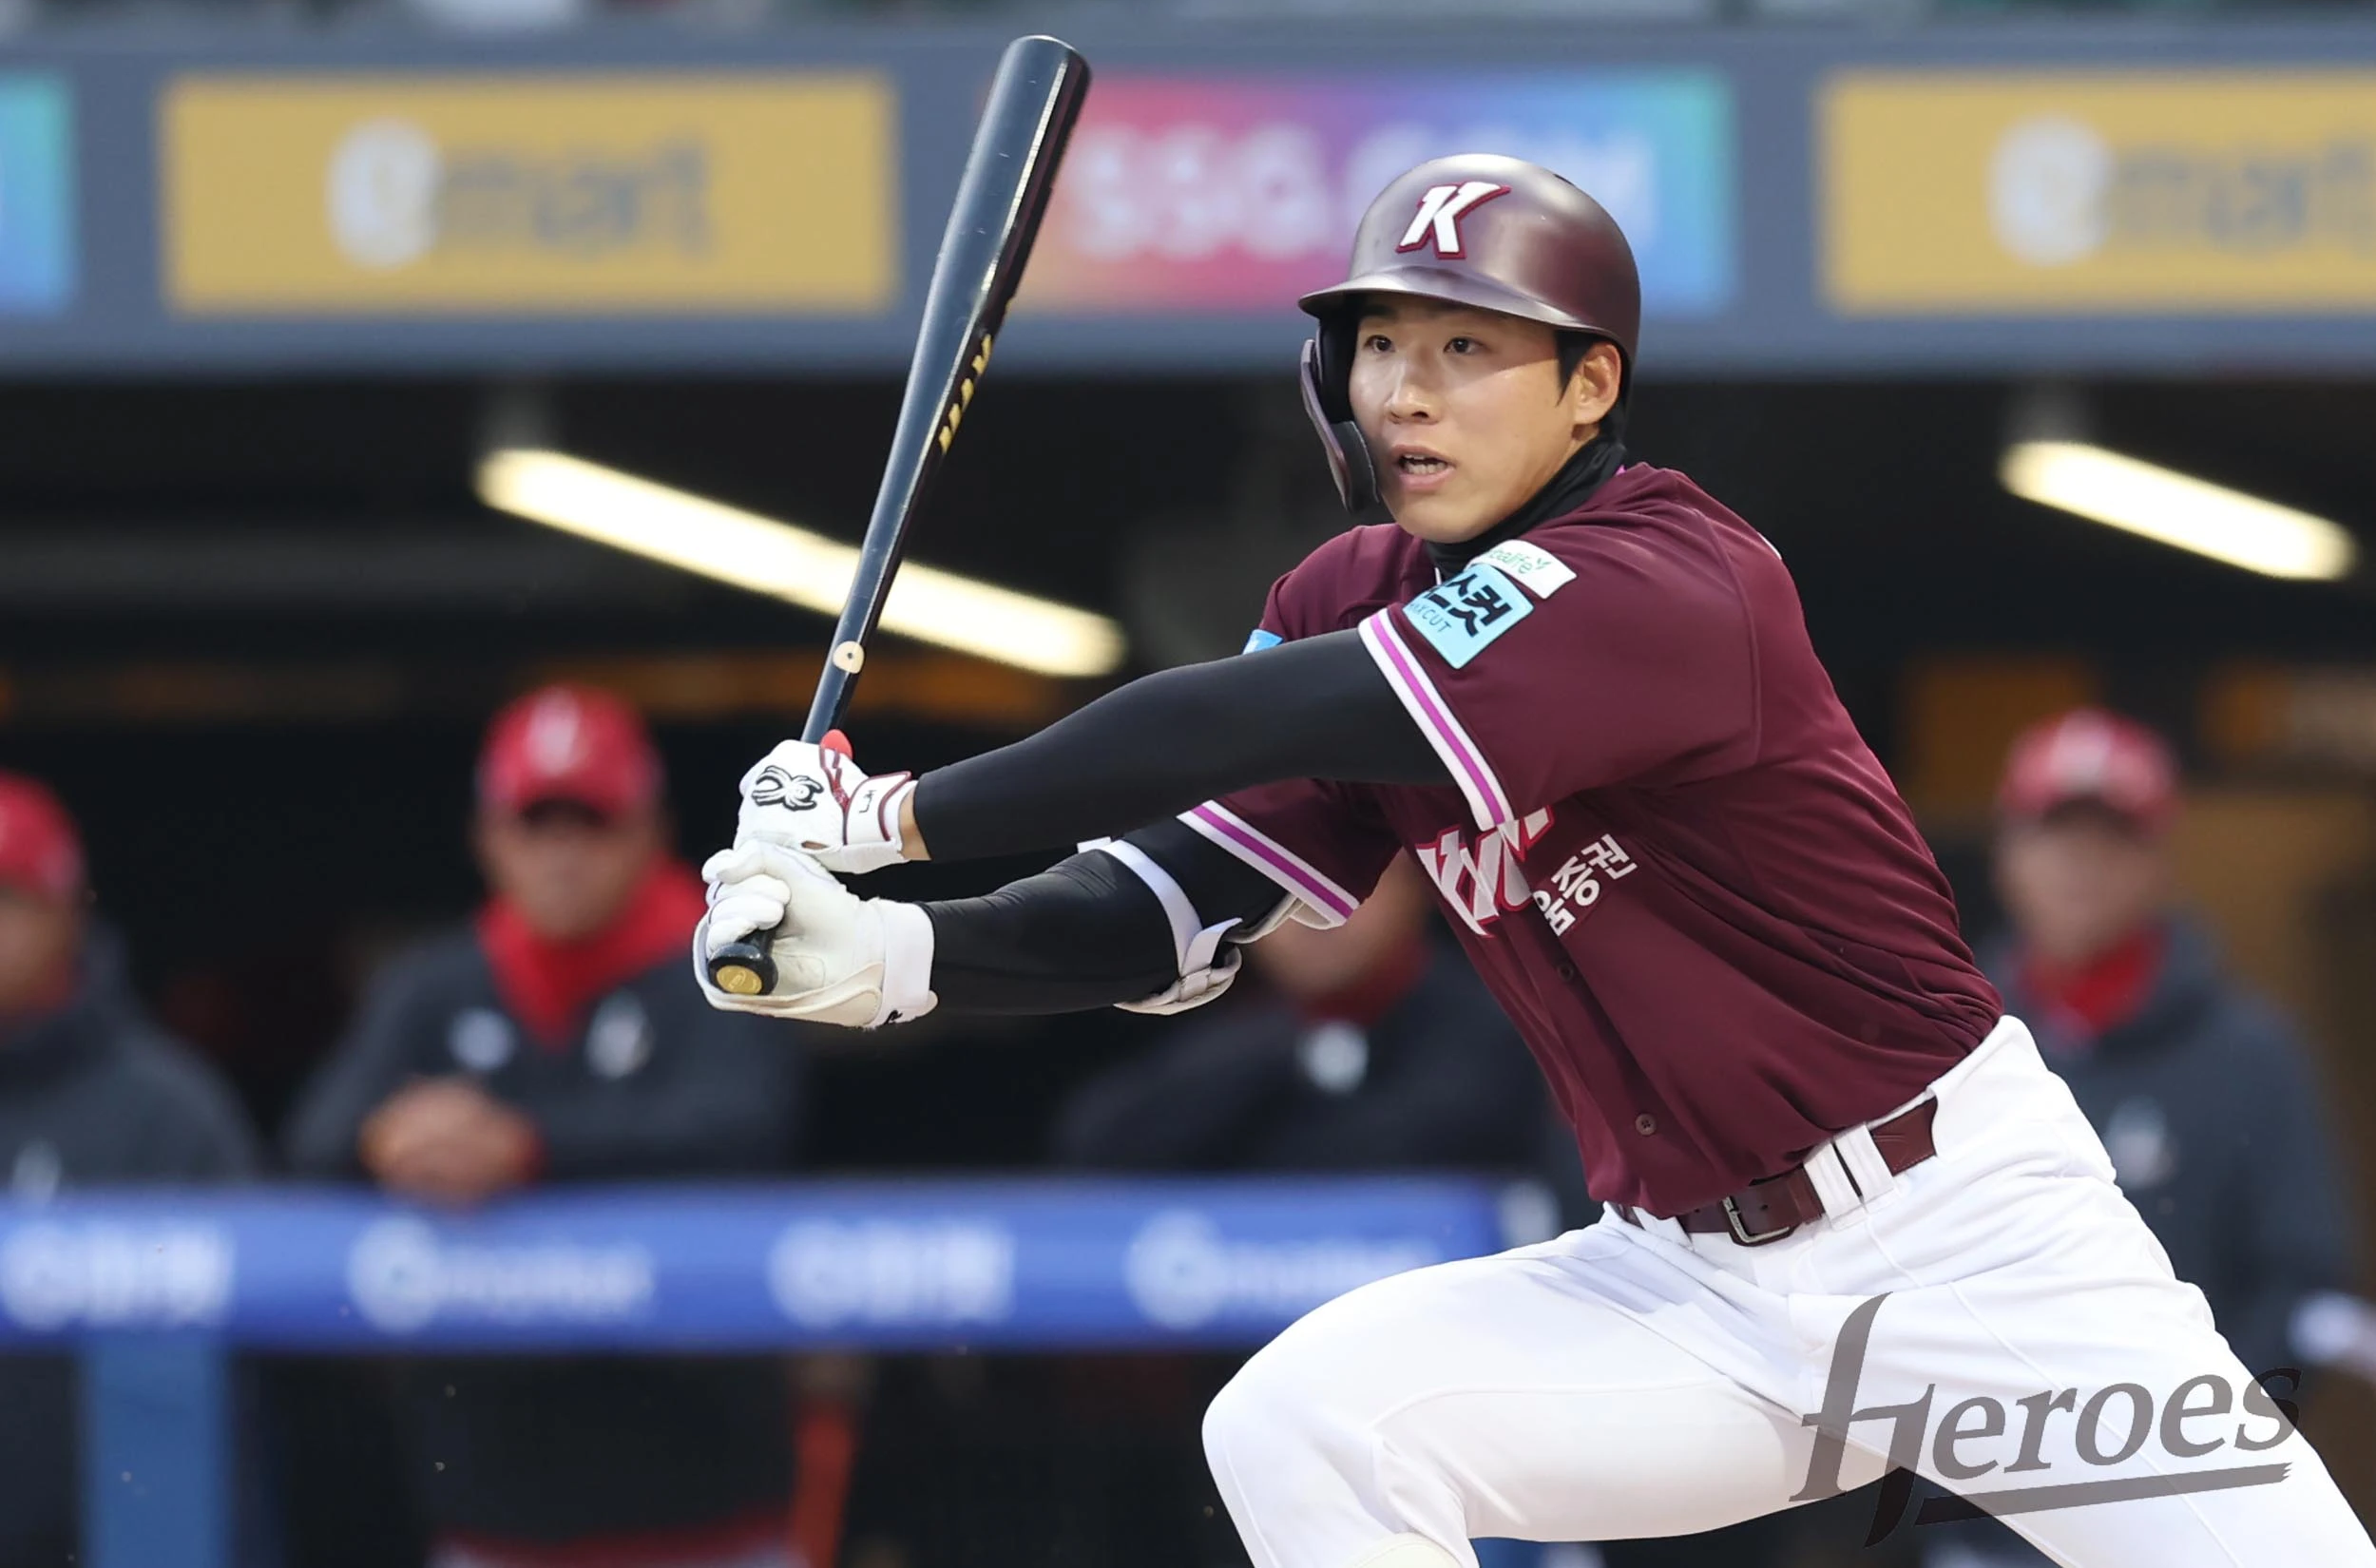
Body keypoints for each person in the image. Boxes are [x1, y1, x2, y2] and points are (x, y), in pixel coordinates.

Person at [692, 155, 2376, 1566]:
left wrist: (893, 818)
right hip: (1685, 1288)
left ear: (1590, 387)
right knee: (1305, 1423)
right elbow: (1174, 895)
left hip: (1963, 1241)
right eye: (1382, 345)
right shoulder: (1351, 591)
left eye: (1469, 347)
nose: (1409, 390)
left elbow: (1236, 714)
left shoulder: (1673, 575)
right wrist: (895, 955)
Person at [285, 685, 806, 1568]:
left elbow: (744, 1126)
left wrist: (526, 1147)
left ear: (650, 831)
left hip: (706, 1506)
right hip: (496, 1517)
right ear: (488, 838)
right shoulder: (435, 984)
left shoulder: (727, 963)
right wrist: (394, 1140)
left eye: (591, 821)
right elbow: (315, 1138)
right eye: (536, 822)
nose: (562, 852)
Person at [1907, 709, 2361, 1568]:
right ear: (2006, 854)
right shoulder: (1942, 1045)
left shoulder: (2252, 1053)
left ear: (2160, 860)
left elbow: (2302, 1286)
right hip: (1983, 1526)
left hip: (2192, 1521)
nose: (2080, 863)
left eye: (2112, 837)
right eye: (2054, 834)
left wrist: (2195, 1451)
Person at [0, 771, 259, 1568]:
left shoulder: (166, 1107)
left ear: (66, 912)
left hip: (119, 1537)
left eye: (8, 898)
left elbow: (261, 1337)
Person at [1055, 856, 1543, 1173]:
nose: (1314, 917)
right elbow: (1099, 1141)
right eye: (1281, 897)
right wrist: (1281, 1054)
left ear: (1419, 889)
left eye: (1349, 886)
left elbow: (1452, 1138)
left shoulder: (1505, 1023)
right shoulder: (1207, 1017)